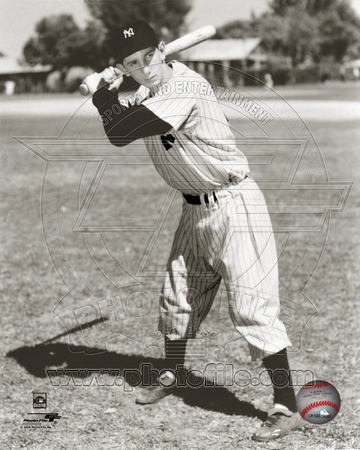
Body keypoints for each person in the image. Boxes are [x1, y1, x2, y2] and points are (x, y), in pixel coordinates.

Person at [86, 20, 303, 442]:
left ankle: (287, 405)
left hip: (234, 203)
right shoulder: (146, 90)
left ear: (163, 49)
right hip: (193, 207)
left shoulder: (186, 87)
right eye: (133, 63)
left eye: (149, 56)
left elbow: (120, 132)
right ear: (125, 66)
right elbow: (124, 113)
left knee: (252, 307)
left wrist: (101, 95)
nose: (145, 67)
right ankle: (172, 375)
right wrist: (111, 93)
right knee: (177, 296)